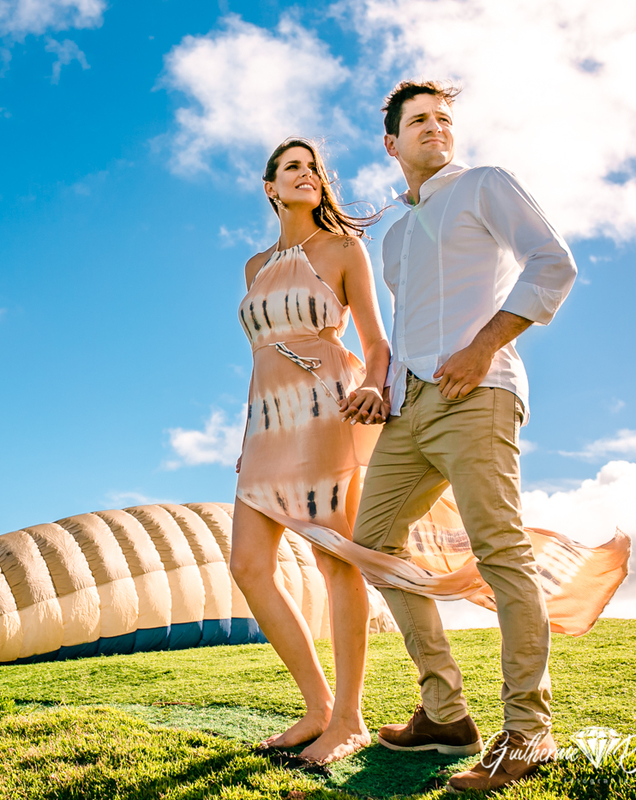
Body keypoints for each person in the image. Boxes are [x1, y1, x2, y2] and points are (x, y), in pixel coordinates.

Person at [351, 80, 575, 792]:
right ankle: (445, 712)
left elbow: (552, 263)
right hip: (410, 408)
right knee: (373, 543)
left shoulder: (484, 184)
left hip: (480, 393)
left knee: (500, 553)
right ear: (392, 143)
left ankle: (528, 733)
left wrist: (483, 346)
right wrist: (384, 396)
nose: (434, 128)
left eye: (443, 118)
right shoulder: (390, 241)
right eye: (418, 121)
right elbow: (407, 328)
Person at [231, 137, 391, 764]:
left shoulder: (345, 249)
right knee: (248, 565)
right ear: (270, 187)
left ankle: (349, 720)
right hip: (267, 422)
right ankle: (317, 707)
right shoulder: (252, 267)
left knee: (335, 561)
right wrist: (249, 437)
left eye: (314, 168)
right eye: (293, 167)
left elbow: (376, 341)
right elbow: (258, 359)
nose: (308, 174)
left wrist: (375, 387)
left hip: (329, 407)